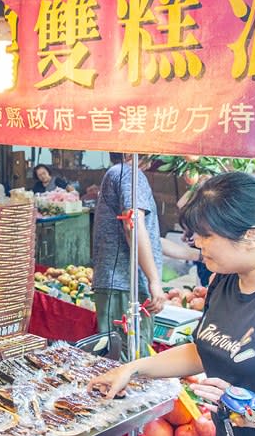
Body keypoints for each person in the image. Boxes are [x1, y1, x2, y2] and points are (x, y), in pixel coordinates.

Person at [89, 172, 255, 436]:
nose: (196, 242)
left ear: (252, 236)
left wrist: (253, 413)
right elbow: (204, 350)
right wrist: (132, 369)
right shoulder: (225, 281)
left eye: (206, 235)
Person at [91, 153, 166, 360]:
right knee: (129, 362)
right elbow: (132, 226)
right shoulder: (130, 174)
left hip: (121, 284)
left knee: (124, 359)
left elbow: (147, 236)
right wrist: (154, 281)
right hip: (125, 283)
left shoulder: (119, 174)